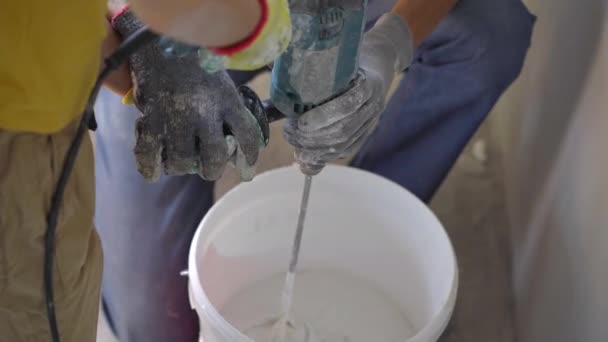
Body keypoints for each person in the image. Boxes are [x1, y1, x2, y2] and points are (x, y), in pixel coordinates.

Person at [94, 0, 536, 341]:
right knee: (156, 321)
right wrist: (148, 47)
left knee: (489, 34)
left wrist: (393, 39)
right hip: (174, 19)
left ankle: (367, 224)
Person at [0, 0, 290, 341]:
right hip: (21, 133)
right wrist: (263, 23)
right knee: (58, 314)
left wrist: (132, 51)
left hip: (41, 64)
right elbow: (226, 14)